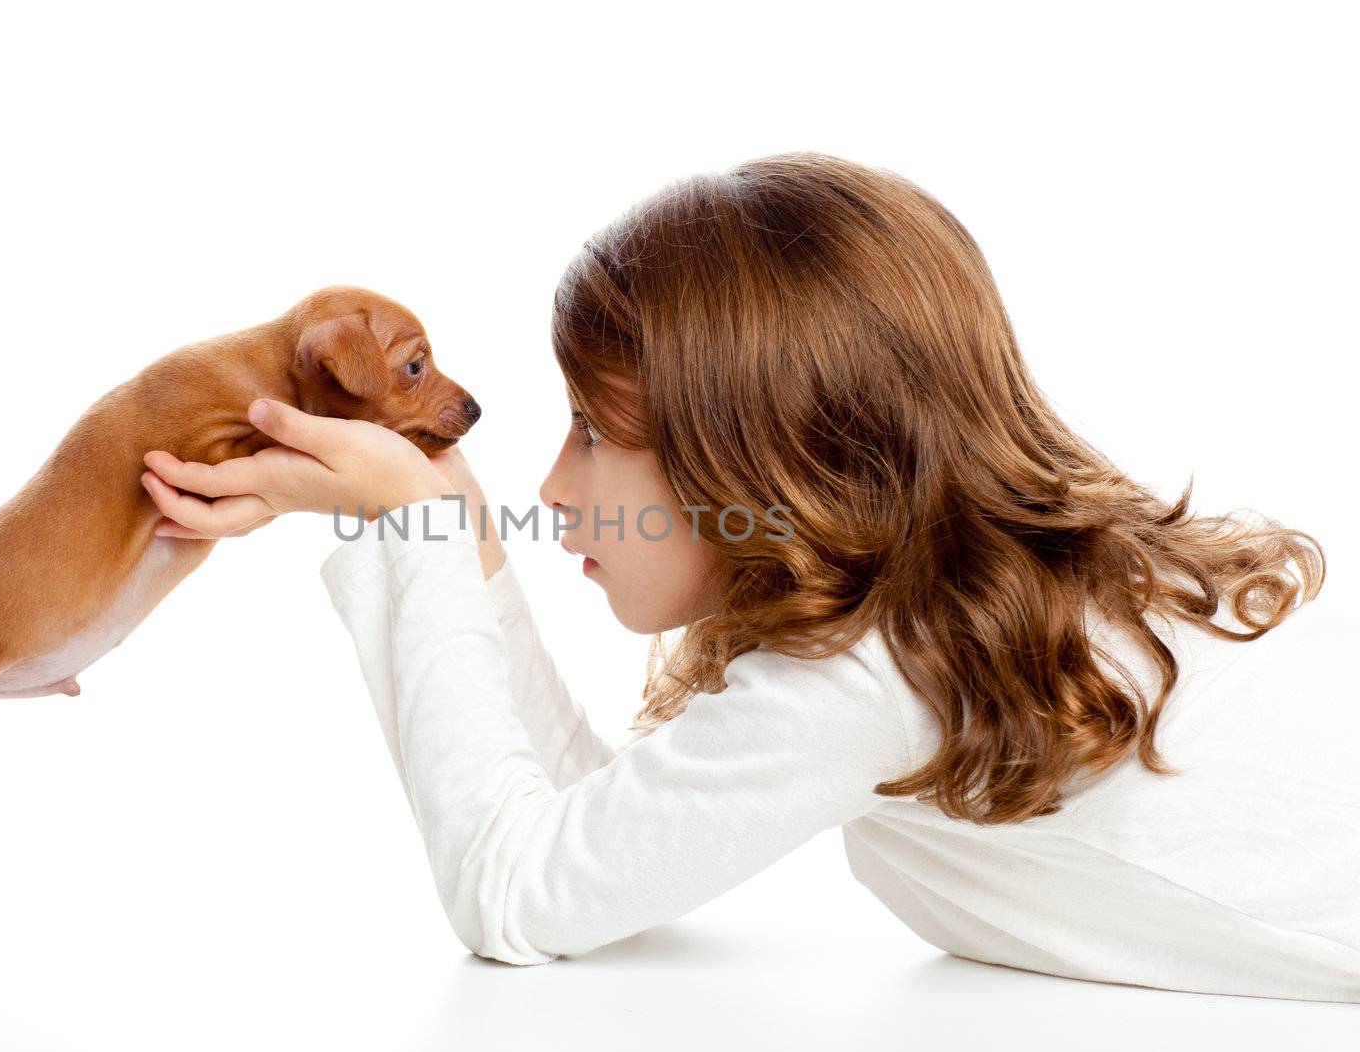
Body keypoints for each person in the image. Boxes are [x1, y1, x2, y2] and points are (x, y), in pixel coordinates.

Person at [136, 151, 1359, 1003]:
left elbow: (520, 889)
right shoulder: (933, 619)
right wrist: (454, 537)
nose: (555, 485)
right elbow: (606, 840)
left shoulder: (875, 671)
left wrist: (417, 536)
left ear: (764, 459)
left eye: (595, 434)